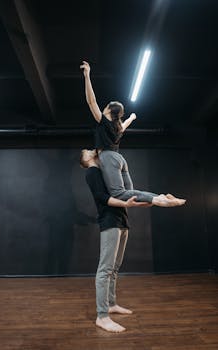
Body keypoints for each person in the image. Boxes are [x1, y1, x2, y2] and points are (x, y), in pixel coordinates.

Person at [80, 61, 186, 207]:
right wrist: (132, 117)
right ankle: (160, 197)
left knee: (118, 193)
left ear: (109, 111)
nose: (102, 108)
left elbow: (91, 101)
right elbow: (124, 125)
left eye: (105, 107)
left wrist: (87, 76)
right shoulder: (117, 127)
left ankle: (159, 200)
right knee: (131, 195)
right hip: (119, 159)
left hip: (108, 157)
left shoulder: (103, 121)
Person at [80, 148, 152, 333]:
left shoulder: (103, 170)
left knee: (115, 267)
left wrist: (138, 202)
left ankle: (111, 304)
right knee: (105, 270)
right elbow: (103, 198)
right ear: (85, 159)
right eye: (86, 150)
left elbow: (121, 193)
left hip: (121, 220)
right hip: (110, 222)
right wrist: (126, 204)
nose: (90, 149)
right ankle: (102, 316)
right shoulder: (92, 171)